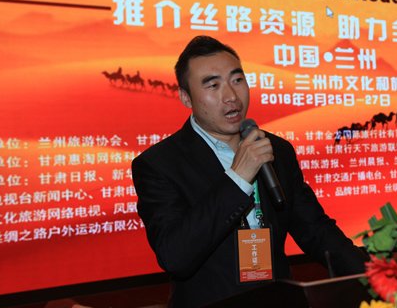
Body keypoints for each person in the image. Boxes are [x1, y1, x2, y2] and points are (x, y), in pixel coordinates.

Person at [132, 35, 368, 308]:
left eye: (237, 80)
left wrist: (378, 276)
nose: (231, 96)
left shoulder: (276, 150)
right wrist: (238, 178)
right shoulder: (159, 164)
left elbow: (316, 231)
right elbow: (176, 256)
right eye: (213, 85)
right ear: (186, 97)